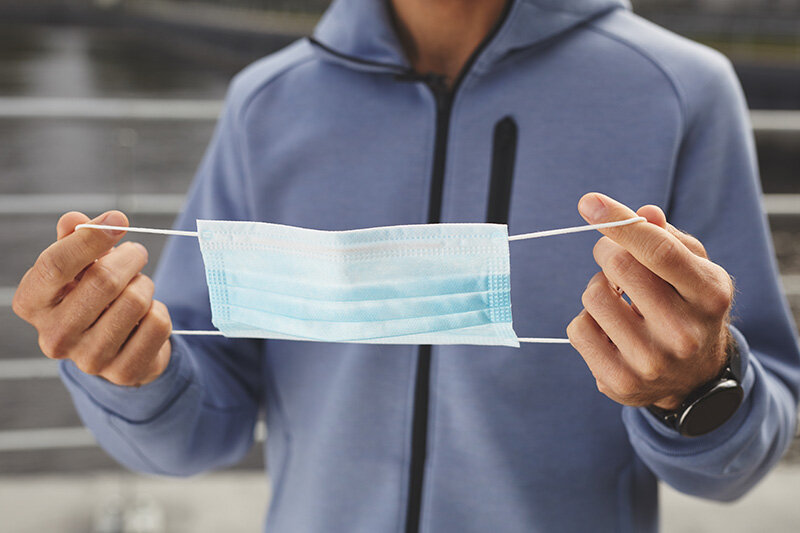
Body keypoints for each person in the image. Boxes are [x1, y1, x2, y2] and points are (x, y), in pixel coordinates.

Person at [12, 0, 800, 531]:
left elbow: (737, 460)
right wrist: (123, 367)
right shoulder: (267, 103)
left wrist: (698, 388)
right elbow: (195, 432)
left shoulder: (680, 91)